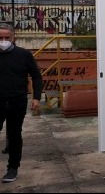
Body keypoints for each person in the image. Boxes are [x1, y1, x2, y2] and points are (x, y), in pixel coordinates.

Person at [0, 23, 43, 183]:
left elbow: (36, 76)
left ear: (13, 38)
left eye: (6, 37)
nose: (3, 41)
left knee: (14, 134)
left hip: (16, 101)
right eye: (0, 38)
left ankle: (13, 168)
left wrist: (36, 97)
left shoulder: (24, 55)